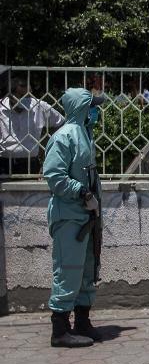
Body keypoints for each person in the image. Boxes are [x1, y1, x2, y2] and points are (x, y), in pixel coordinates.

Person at [42, 89, 106, 348]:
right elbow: (54, 176)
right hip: (69, 217)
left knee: (87, 271)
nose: (96, 111)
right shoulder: (64, 137)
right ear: (81, 108)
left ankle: (82, 321)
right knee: (68, 270)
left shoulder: (85, 135)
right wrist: (82, 192)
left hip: (86, 216)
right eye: (92, 106)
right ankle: (60, 330)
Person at [1, 76, 64, 176]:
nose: (26, 99)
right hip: (4, 163)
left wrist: (46, 143)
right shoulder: (1, 108)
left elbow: (61, 124)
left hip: (31, 163)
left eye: (28, 96)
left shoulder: (39, 106)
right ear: (10, 96)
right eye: (21, 96)